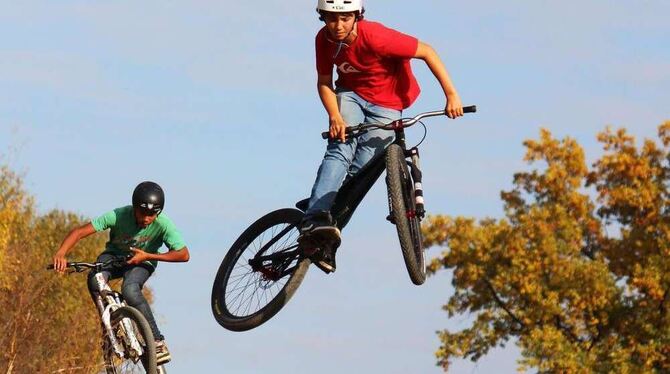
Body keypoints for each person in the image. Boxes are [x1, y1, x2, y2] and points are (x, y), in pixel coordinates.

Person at [299, 0, 464, 273]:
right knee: (340, 146)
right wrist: (334, 116)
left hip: (387, 104)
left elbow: (427, 52)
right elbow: (324, 82)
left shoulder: (376, 37)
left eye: (344, 19)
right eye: (331, 19)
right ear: (323, 18)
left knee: (362, 172)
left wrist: (451, 94)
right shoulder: (324, 40)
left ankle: (328, 236)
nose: (337, 26)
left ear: (356, 16)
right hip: (350, 95)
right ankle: (315, 217)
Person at [52, 181, 190, 365]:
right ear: (134, 208)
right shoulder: (118, 215)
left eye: (152, 215)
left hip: (143, 261)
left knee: (130, 290)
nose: (147, 219)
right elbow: (79, 232)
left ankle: (157, 341)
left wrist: (147, 255)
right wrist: (61, 253)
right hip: (114, 257)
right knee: (94, 278)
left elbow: (183, 254)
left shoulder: (164, 224)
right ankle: (109, 326)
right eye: (143, 213)